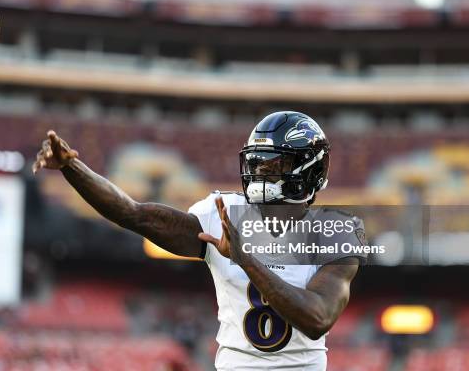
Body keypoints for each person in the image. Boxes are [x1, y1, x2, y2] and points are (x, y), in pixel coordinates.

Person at [33, 111, 365, 370]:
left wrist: (246, 258)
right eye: (258, 162)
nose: (261, 172)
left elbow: (317, 318)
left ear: (310, 170)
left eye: (276, 164)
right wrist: (72, 168)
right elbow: (135, 214)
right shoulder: (224, 212)